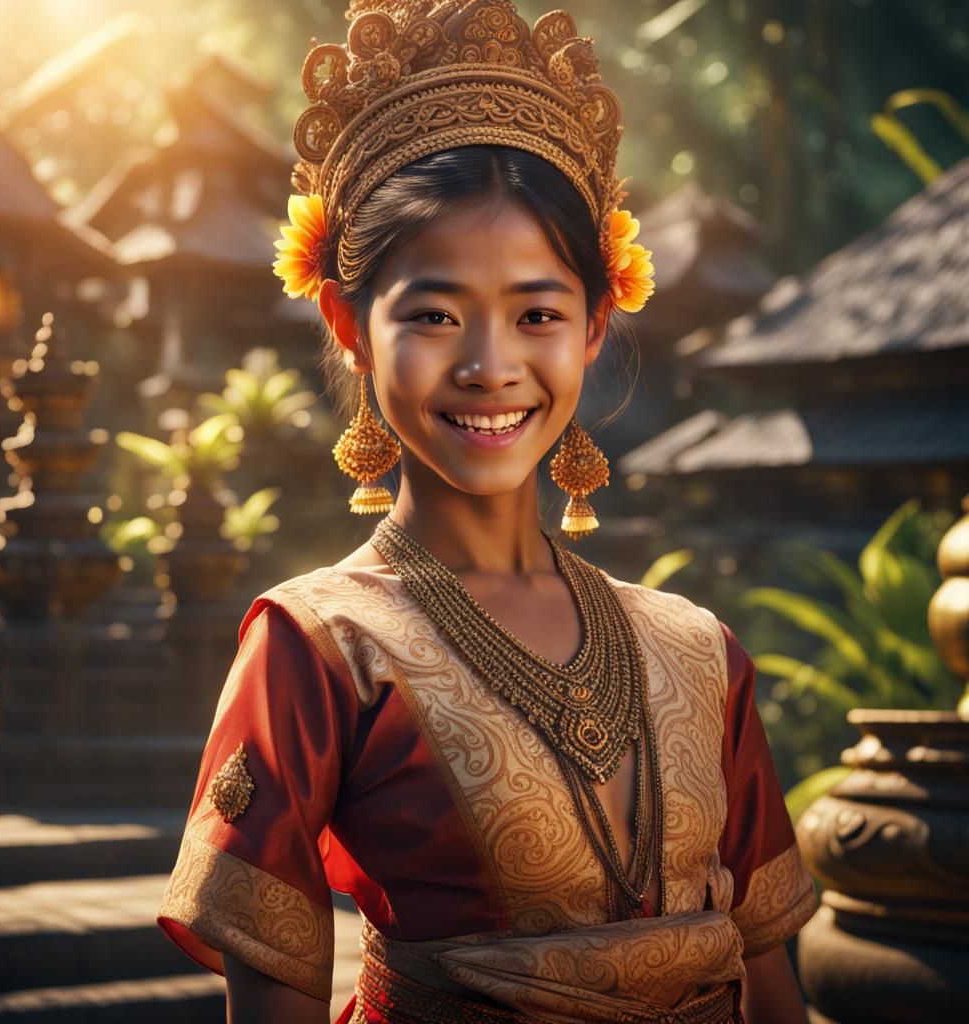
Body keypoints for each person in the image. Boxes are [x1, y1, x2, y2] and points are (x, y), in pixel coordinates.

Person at [156, 3, 817, 1021]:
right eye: (432, 313)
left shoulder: (698, 650)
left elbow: (771, 989)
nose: (488, 365)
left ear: (597, 322)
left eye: (536, 313)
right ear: (348, 324)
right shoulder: (318, 647)